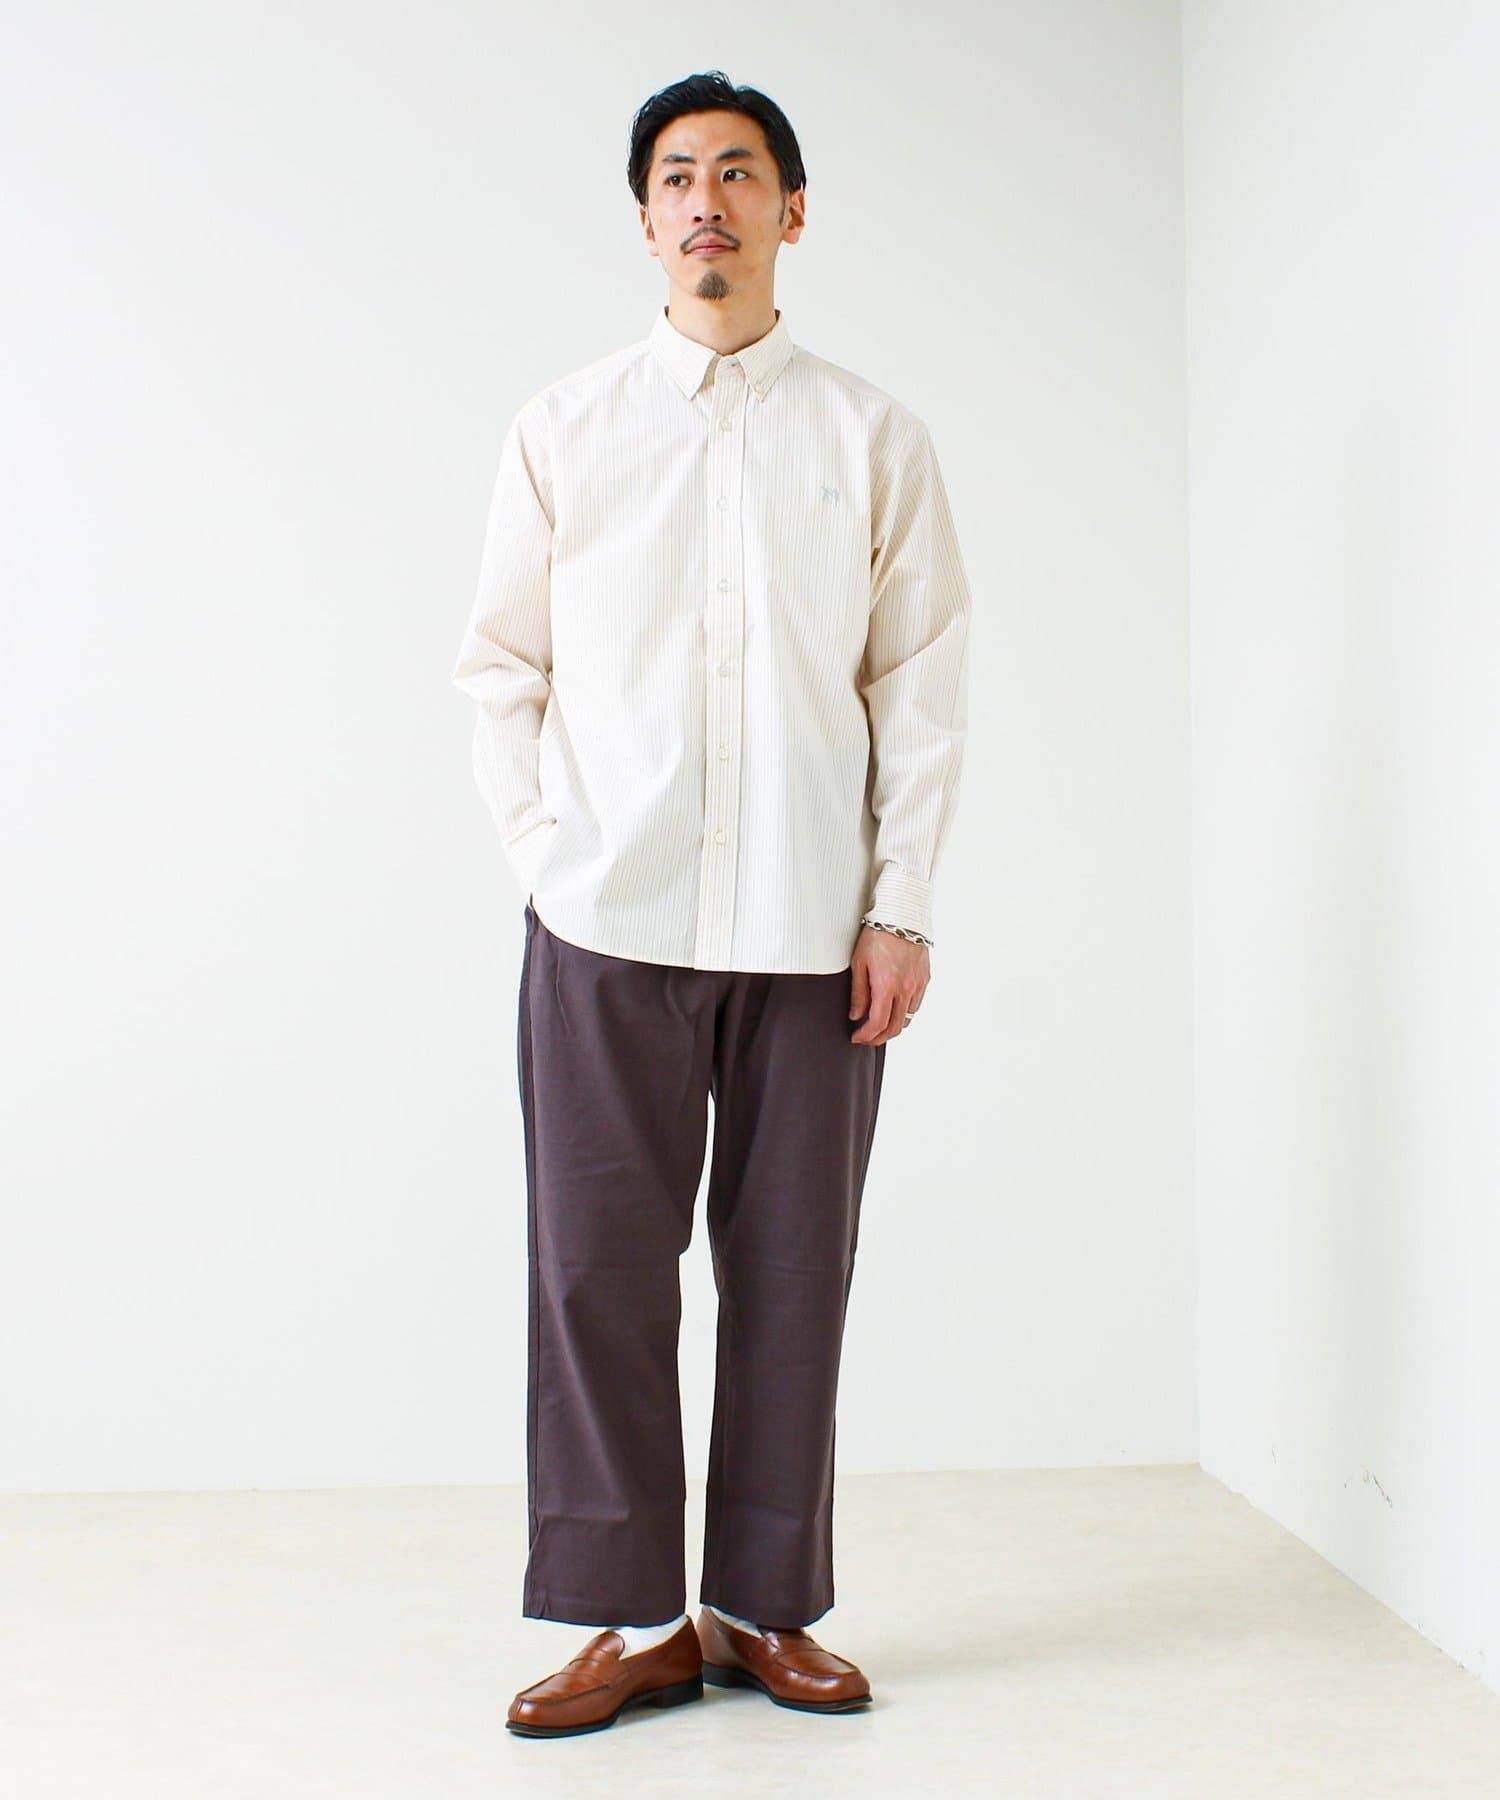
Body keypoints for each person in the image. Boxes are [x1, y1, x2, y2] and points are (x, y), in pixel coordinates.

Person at [450, 68, 972, 1739]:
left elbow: (920, 685)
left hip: (815, 931)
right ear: (644, 219)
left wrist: (900, 907)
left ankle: (761, 1607)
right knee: (596, 1271)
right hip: (605, 926)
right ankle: (627, 1619)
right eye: (677, 176)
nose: (707, 203)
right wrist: (553, 861)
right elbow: (500, 669)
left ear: (791, 212)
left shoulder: (872, 439)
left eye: (738, 174)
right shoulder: (566, 429)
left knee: (794, 1268)